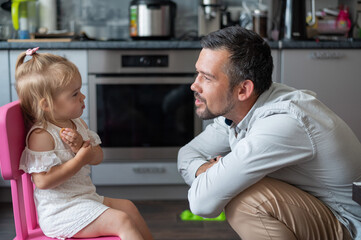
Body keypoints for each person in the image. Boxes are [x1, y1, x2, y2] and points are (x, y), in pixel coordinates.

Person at [177, 26, 361, 240]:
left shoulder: (283, 123)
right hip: (319, 212)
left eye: (207, 78)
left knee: (246, 198)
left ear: (243, 90)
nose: (194, 85)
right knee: (235, 185)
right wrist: (206, 171)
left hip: (349, 224)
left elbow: (202, 204)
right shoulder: (237, 110)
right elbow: (187, 154)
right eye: (197, 73)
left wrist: (217, 176)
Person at [15, 47, 153, 240]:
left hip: (85, 198)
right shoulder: (41, 135)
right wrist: (78, 160)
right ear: (46, 105)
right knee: (122, 220)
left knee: (128, 207)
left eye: (79, 91)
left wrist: (81, 147)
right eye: (74, 94)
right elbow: (43, 181)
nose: (83, 97)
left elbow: (97, 157)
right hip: (61, 212)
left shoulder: (78, 123)